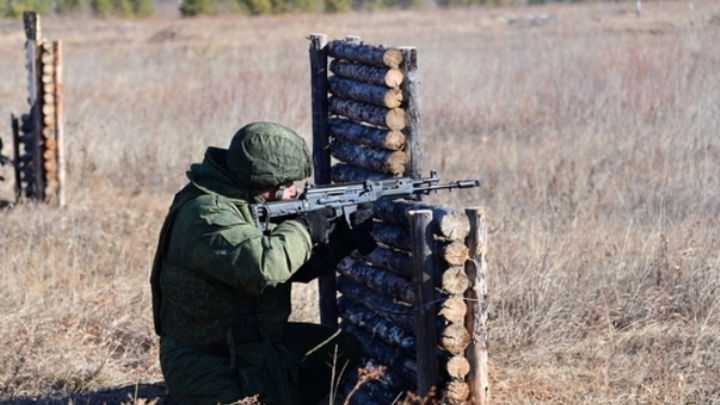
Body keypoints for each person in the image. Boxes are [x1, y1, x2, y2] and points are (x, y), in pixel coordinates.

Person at [150, 122, 374, 405]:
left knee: (340, 348)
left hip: (248, 344)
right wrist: (304, 227)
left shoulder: (242, 202)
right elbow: (266, 268)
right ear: (259, 179)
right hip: (207, 363)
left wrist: (341, 239)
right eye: (286, 184)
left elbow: (292, 268)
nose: (294, 192)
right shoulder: (206, 213)